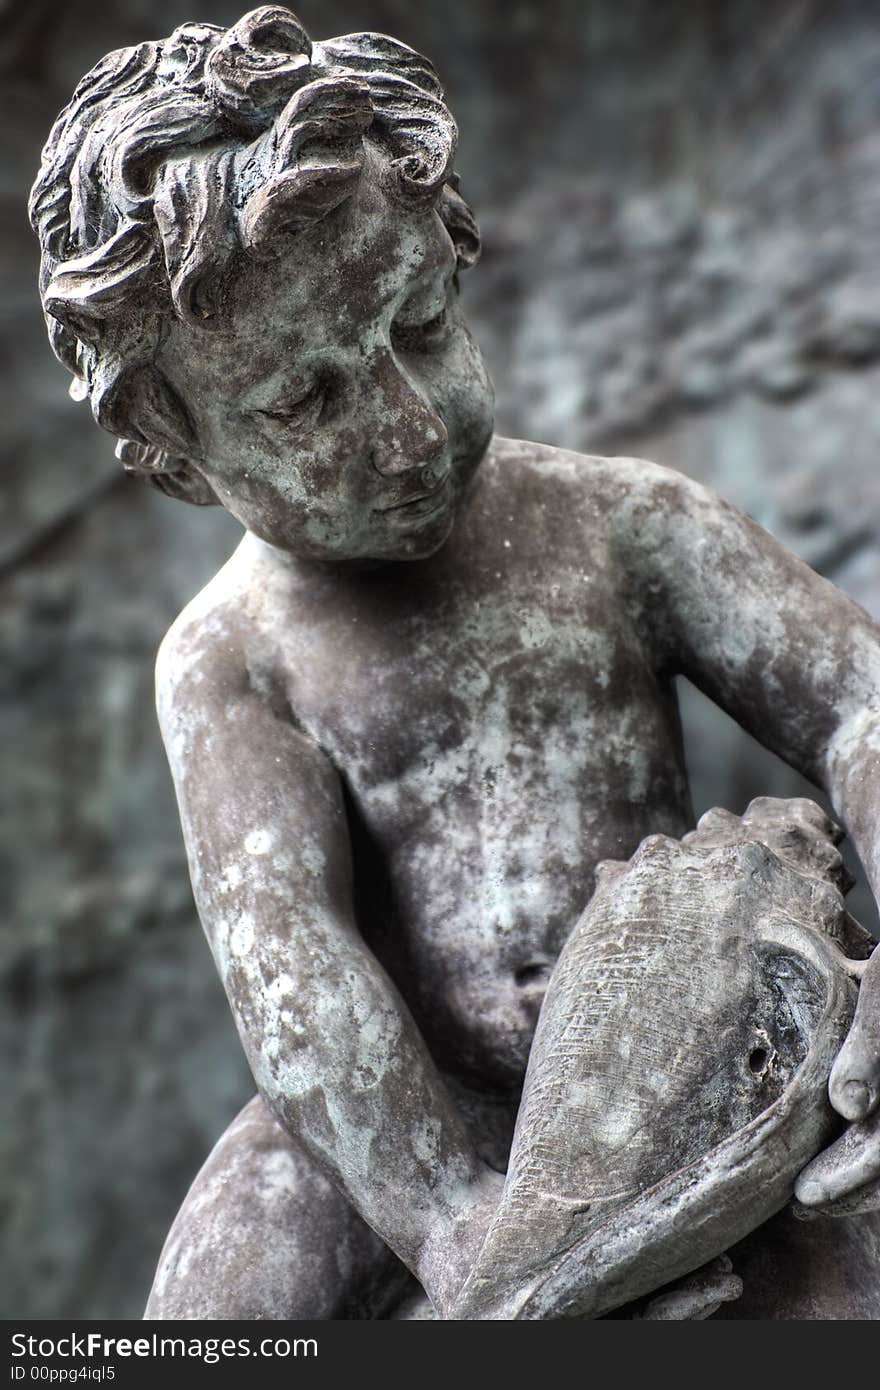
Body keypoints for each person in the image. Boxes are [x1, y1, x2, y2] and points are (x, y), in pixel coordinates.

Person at [30, 7, 880, 1319]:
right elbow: (295, 963)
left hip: (675, 1023)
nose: (409, 424)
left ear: (450, 252)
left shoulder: (622, 522)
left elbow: (859, 709)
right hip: (405, 1108)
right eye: (311, 400)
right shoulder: (230, 658)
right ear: (171, 448)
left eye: (420, 327)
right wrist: (441, 1213)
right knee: (219, 1295)